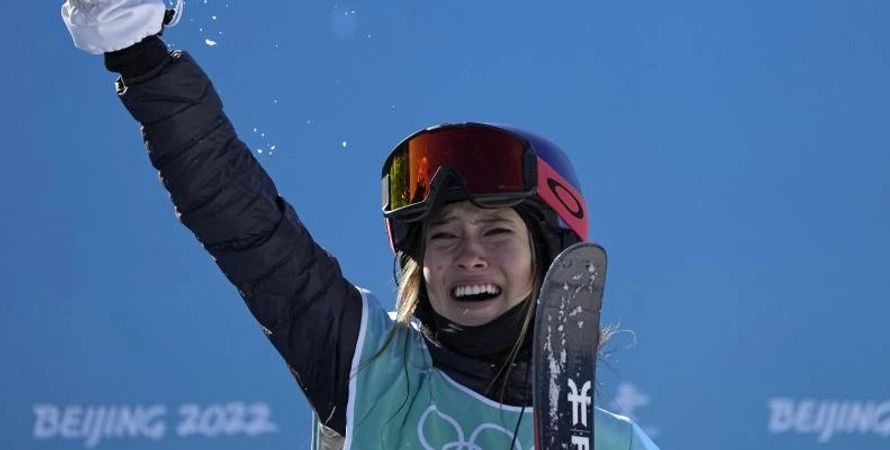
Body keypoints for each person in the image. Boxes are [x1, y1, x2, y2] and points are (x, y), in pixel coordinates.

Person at [62, 1, 661, 448]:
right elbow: (243, 226)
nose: (468, 255)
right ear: (418, 268)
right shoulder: (368, 367)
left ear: (549, 256)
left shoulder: (622, 444)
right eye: (443, 237)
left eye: (497, 232)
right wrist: (142, 59)